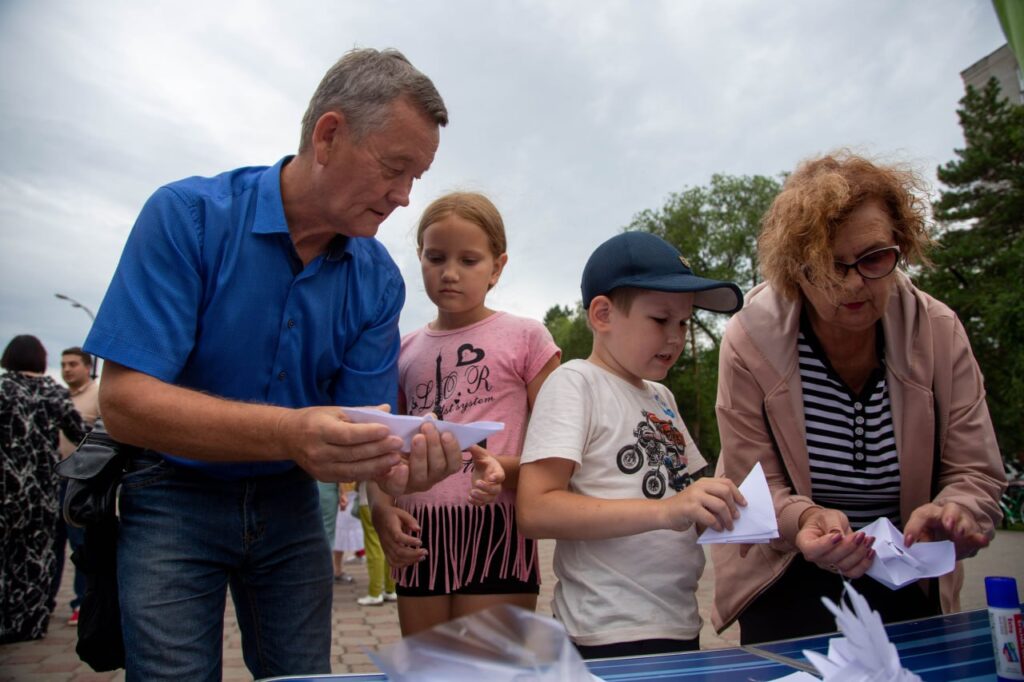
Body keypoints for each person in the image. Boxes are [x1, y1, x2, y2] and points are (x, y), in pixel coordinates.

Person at [82, 48, 464, 680]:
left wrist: (396, 476)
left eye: (415, 178)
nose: (403, 197)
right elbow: (123, 403)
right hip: (170, 491)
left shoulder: (378, 280)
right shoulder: (188, 218)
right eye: (395, 169)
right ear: (329, 135)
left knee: (302, 673)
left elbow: (365, 422)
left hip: (291, 500)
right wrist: (290, 432)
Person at [711, 151, 1007, 644]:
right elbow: (753, 486)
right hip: (787, 572)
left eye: (873, 258)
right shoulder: (748, 340)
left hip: (909, 570)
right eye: (830, 265)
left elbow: (975, 471)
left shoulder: (939, 331)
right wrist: (805, 520)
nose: (854, 283)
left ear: (900, 246)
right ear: (795, 270)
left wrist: (955, 511)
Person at [516, 231, 746, 659]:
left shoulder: (662, 397)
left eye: (684, 322)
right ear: (603, 314)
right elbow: (535, 508)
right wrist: (667, 510)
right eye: (660, 320)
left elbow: (684, 497)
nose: (676, 337)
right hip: (605, 630)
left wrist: (727, 514)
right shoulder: (575, 383)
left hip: (678, 621)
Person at [370, 192, 561, 635]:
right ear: (420, 256)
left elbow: (560, 448)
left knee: (489, 664)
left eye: (469, 260)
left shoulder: (528, 338)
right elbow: (383, 448)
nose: (450, 273)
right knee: (429, 664)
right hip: (418, 531)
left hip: (497, 527)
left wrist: (504, 470)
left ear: (497, 267)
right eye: (435, 257)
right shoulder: (401, 351)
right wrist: (381, 510)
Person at [0, 335, 85, 643]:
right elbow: (80, 434)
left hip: (6, 485)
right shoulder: (54, 392)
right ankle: (29, 623)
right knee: (36, 555)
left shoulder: (3, 388)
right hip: (42, 489)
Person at [53, 346, 100, 626]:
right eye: (63, 364)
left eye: (72, 364)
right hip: (54, 481)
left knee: (81, 546)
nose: (67, 369)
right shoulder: (58, 396)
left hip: (82, 482)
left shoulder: (98, 394)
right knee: (52, 545)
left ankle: (83, 602)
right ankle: (45, 600)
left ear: (87, 366)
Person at [354, 481, 396, 605]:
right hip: (391, 500)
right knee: (389, 543)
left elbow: (359, 476)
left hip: (369, 499)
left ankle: (375, 592)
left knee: (373, 545)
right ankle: (390, 589)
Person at [332, 482, 363, 583]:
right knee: (339, 535)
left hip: (354, 495)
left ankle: (338, 569)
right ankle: (337, 570)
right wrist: (342, 492)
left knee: (342, 534)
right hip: (347, 496)